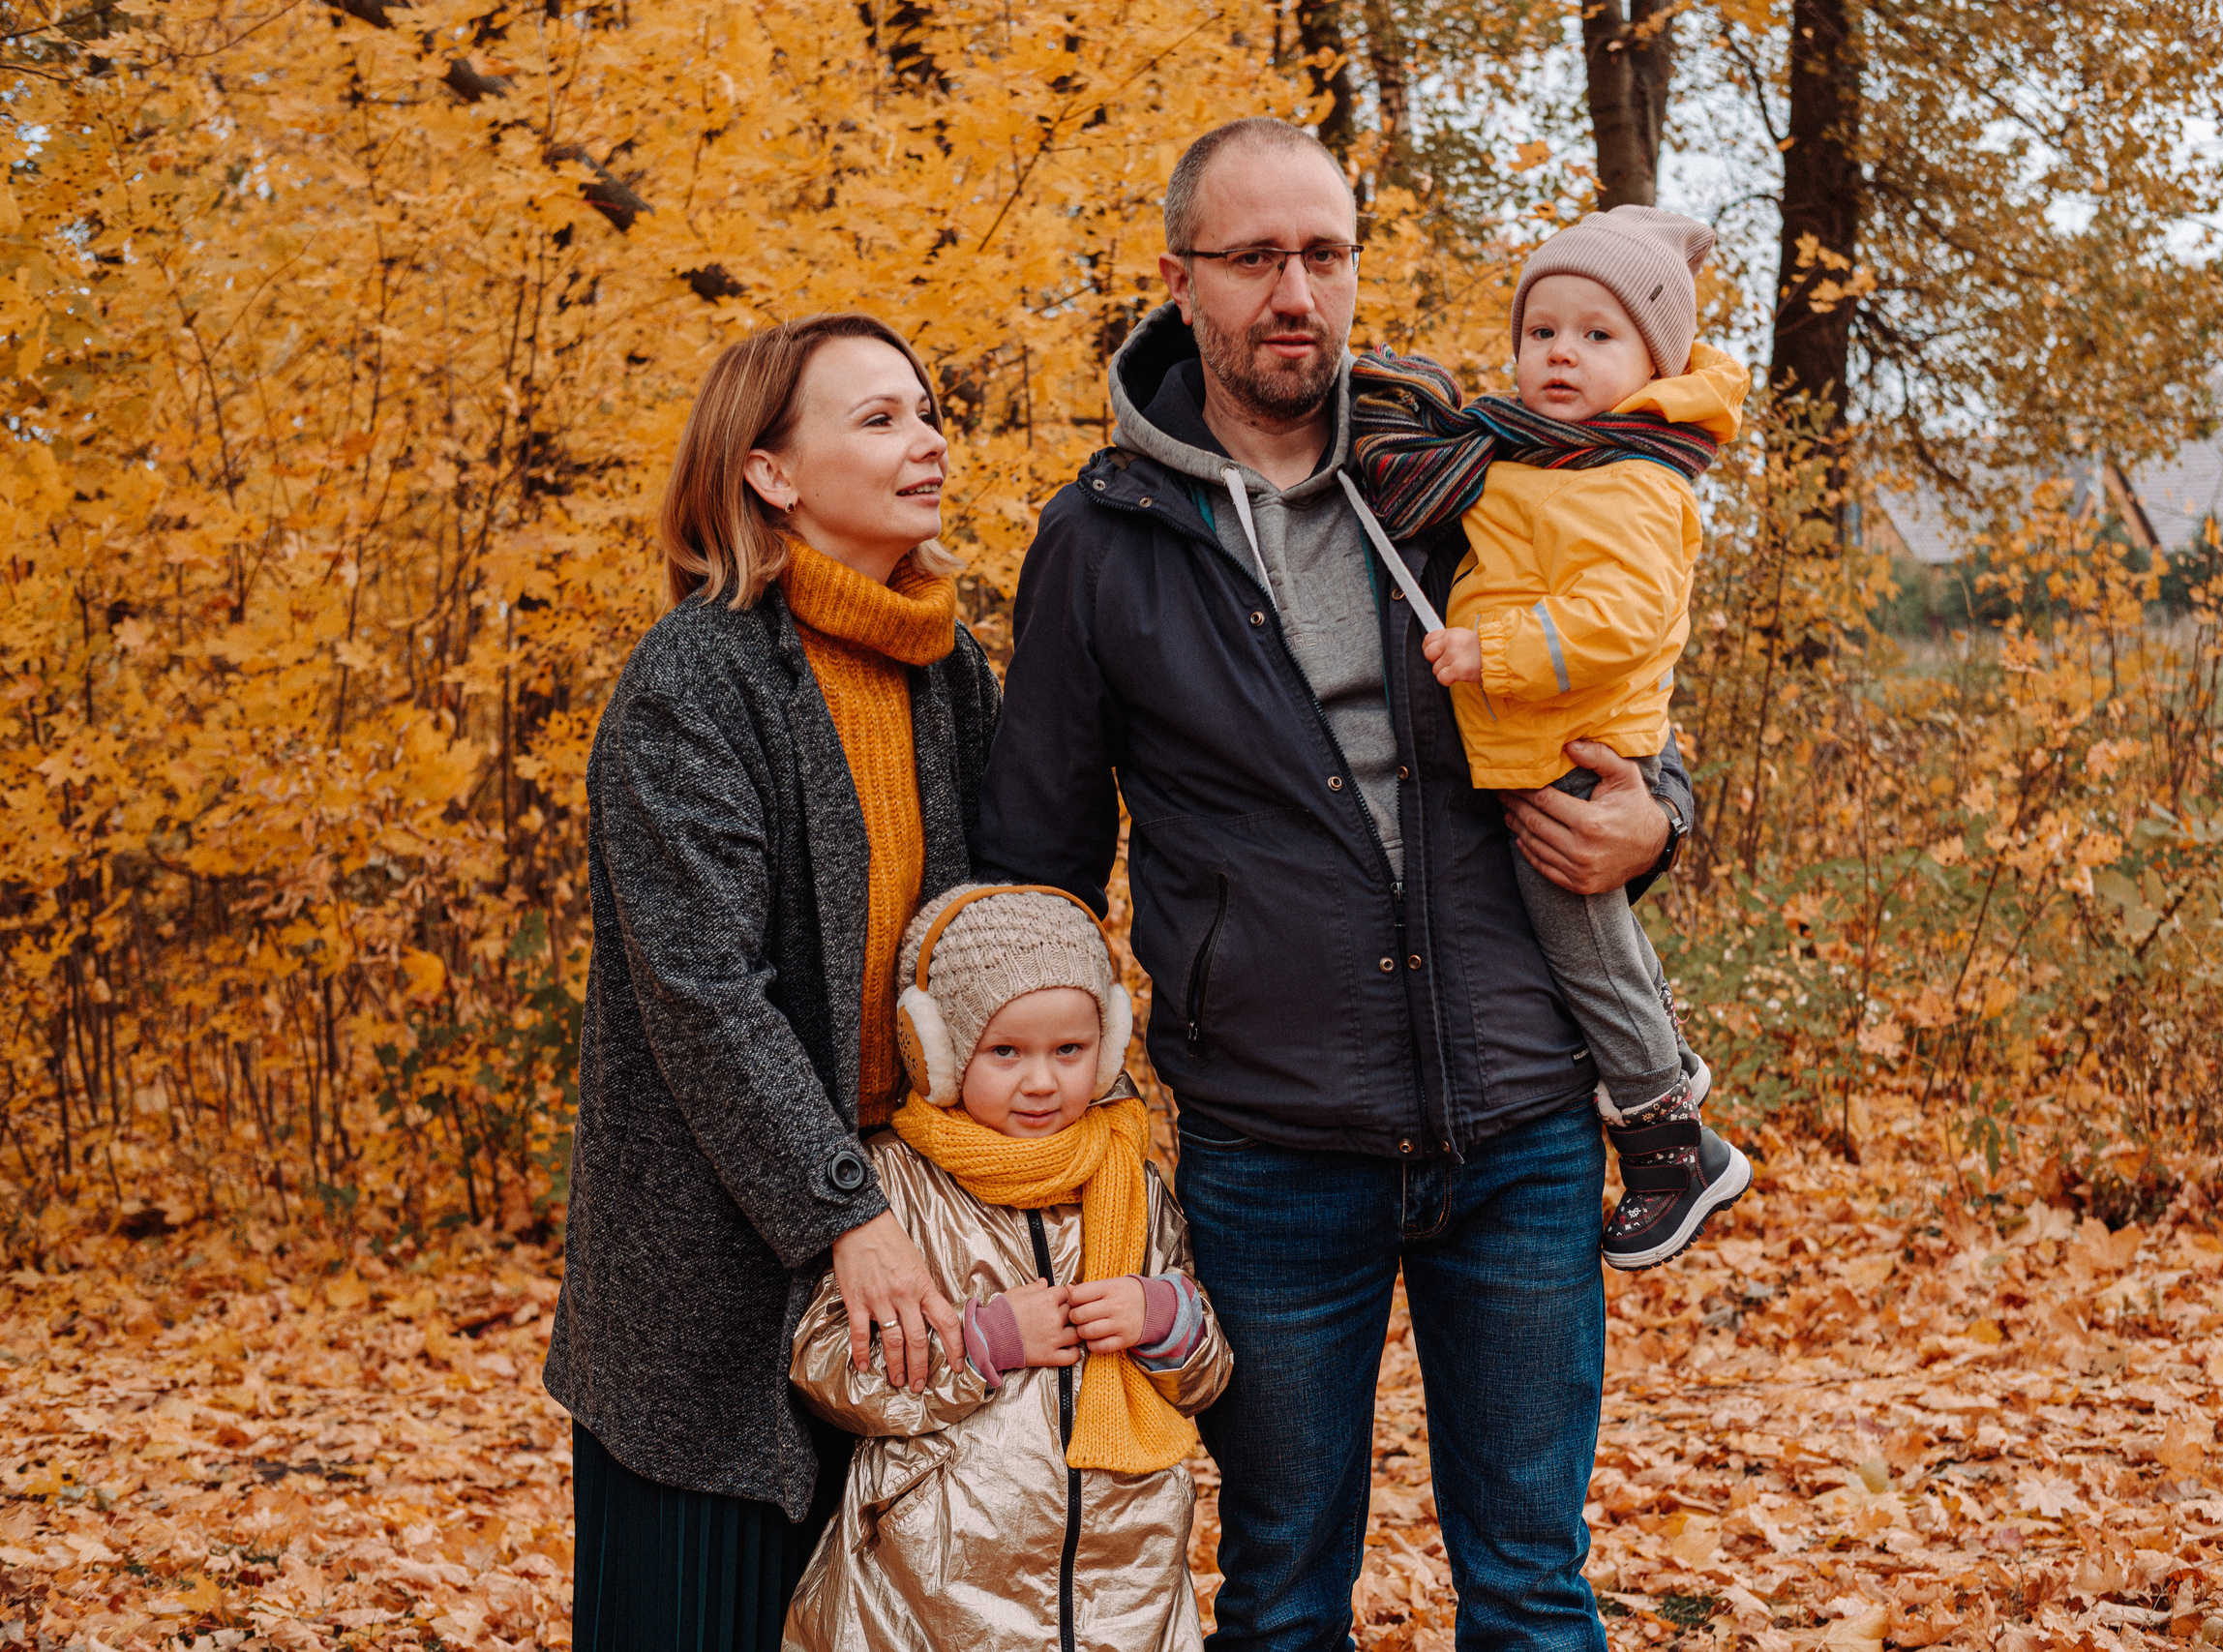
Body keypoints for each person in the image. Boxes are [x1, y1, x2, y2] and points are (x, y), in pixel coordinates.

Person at [976, 116, 1696, 1652]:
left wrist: (1661, 822)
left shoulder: (1462, 469)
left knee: (1533, 1584)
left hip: (1524, 1121)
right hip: (1270, 1143)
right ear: (1182, 283)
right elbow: (1033, 866)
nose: (1295, 290)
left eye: (1324, 254)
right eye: (1255, 259)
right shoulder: (1102, 542)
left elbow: (1625, 686)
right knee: (1283, 1592)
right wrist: (1039, 1119)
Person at [545, 312, 994, 1649]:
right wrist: (840, 1215)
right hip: (715, 1272)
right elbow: (702, 988)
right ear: (771, 473)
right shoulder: (698, 674)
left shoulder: (946, 667)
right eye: (880, 418)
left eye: (926, 410)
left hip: (913, 1239)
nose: (927, 441)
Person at [1349, 205, 1754, 1270]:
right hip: (1535, 744)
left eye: (1597, 335)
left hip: (1573, 751)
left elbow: (1622, 621)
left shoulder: (1633, 481)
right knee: (1587, 943)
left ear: (1651, 359)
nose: (1561, 353)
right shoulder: (1541, 459)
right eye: (1542, 332)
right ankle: (1664, 1066)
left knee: (1583, 945)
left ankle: (1671, 1140)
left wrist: (1497, 651)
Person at [783, 882, 1233, 1652]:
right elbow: (826, 1367)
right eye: (1005, 1051)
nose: (1041, 1080)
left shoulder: (1129, 1176)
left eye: (1069, 1050)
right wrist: (985, 1341)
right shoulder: (897, 1188)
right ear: (941, 1050)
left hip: (1123, 1594)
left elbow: (1205, 1378)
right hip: (931, 1596)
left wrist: (1163, 1316)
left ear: (1108, 1040)